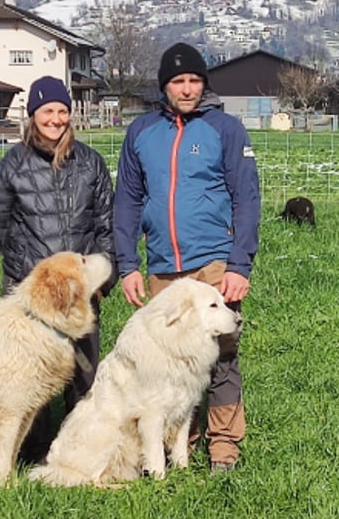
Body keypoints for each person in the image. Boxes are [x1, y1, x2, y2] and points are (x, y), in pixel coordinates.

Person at [113, 42, 260, 474]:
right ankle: (178, 446)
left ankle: (224, 449)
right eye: (179, 81)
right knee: (167, 363)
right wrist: (127, 265)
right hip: (162, 266)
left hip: (213, 261)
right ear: (165, 86)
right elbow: (127, 201)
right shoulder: (141, 132)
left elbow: (246, 200)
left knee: (221, 356)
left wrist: (239, 265)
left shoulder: (226, 130)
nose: (188, 88)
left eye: (195, 80)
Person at [0, 75, 116, 464]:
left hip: (78, 292)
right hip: (30, 295)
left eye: (63, 111)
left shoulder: (90, 163)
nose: (56, 119)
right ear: (33, 115)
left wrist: (102, 279)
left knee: (84, 376)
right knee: (27, 378)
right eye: (48, 111)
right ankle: (34, 454)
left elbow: (105, 227)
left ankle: (79, 452)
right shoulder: (13, 165)